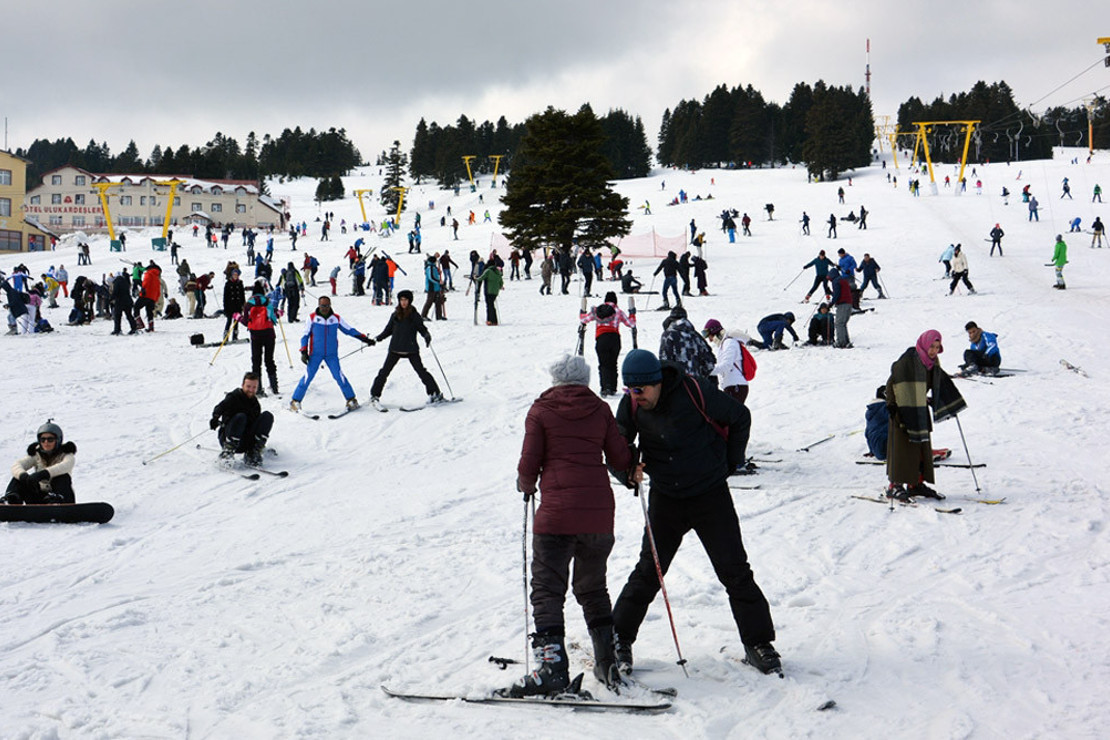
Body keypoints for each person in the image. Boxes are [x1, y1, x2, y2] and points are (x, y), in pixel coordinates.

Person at [609, 349, 779, 676]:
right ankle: (618, 638)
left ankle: (759, 643)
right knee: (649, 571)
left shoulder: (694, 390)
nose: (636, 395)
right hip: (666, 498)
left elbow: (739, 418)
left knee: (735, 571)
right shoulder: (631, 405)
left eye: (641, 389)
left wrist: (729, 463)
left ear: (657, 382)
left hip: (709, 495)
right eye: (631, 389)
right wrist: (627, 470)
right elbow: (617, 442)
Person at [506, 355, 634, 697]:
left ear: (555, 379)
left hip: (557, 517)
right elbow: (620, 459)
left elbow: (529, 462)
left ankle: (552, 669)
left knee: (548, 590)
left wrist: (526, 483)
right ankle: (607, 662)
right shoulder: (601, 410)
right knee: (593, 588)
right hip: (598, 515)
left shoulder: (541, 411)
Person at [884, 330, 966, 500]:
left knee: (921, 449)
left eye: (937, 347)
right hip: (902, 409)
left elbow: (937, 382)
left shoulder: (933, 363)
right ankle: (895, 485)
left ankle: (916, 483)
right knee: (903, 449)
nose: (934, 351)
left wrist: (947, 400)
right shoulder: (907, 360)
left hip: (919, 410)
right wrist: (891, 404)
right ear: (923, 344)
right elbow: (892, 382)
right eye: (931, 346)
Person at [290, 296, 372, 412]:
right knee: (308, 377)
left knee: (339, 376)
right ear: (319, 305)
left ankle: (351, 399)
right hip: (315, 354)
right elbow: (305, 335)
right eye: (323, 306)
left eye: (327, 306)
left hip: (331, 354)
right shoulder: (312, 318)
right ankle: (295, 401)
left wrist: (364, 339)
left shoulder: (336, 318)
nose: (325, 308)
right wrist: (303, 351)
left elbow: (349, 330)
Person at [369, 290, 444, 406]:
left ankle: (435, 393)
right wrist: (378, 338)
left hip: (411, 349)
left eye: (406, 300)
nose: (403, 302)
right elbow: (388, 330)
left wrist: (426, 335)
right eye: (401, 300)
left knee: (421, 372)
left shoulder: (414, 314)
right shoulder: (395, 314)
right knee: (384, 372)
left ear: (409, 301)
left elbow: (421, 328)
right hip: (395, 348)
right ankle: (374, 395)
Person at [2, 421, 76, 505]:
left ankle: (56, 501)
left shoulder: (67, 454)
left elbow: (65, 466)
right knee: (18, 477)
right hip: (39, 498)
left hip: (62, 497)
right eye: (43, 440)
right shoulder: (36, 454)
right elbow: (17, 465)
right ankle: (11, 499)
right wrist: (23, 476)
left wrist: (45, 473)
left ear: (58, 440)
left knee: (63, 477)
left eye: (50, 439)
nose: (46, 443)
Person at [210, 373, 275, 467]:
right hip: (228, 437)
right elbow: (220, 407)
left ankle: (253, 452)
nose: (251, 390)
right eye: (248, 386)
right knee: (241, 417)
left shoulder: (255, 404)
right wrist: (215, 418)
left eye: (254, 387)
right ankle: (227, 454)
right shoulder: (233, 397)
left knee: (267, 416)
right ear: (242, 385)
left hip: (245, 441)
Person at [580, 291, 635, 397]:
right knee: (613, 363)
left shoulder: (597, 310)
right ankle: (613, 387)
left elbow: (584, 319)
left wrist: (582, 311)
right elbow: (631, 324)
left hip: (601, 339)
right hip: (614, 338)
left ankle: (605, 387)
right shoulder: (618, 311)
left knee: (603, 364)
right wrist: (632, 313)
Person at [702, 318, 755, 405]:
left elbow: (726, 366)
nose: (710, 340)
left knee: (731, 417)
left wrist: (706, 370)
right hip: (732, 386)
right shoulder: (724, 344)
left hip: (736, 386)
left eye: (709, 336)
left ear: (715, 332)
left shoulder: (729, 343)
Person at [241, 282, 280, 396]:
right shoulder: (267, 302)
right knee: (269, 360)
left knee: (256, 361)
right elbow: (273, 319)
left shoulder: (249, 304)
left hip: (255, 335)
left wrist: (237, 317)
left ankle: (257, 388)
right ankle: (274, 386)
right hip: (269, 334)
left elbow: (245, 322)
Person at [659, 306, 716, 379]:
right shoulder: (696, 335)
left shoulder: (668, 335)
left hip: (678, 384)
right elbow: (709, 363)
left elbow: (665, 363)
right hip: (697, 384)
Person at [133, 260, 161, 332]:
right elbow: (158, 289)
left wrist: (143, 289)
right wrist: (156, 299)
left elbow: (146, 281)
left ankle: (139, 324)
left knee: (136, 307)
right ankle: (151, 327)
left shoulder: (149, 273)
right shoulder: (157, 278)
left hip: (146, 295)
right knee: (149, 312)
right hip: (153, 297)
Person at [110, 270, 139, 335]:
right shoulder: (125, 281)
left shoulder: (117, 282)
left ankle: (117, 330)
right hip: (128, 301)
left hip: (120, 302)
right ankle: (134, 328)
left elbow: (115, 291)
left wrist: (111, 298)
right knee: (129, 315)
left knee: (117, 316)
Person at [474, 259, 503, 325]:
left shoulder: (488, 271)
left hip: (488, 291)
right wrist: (499, 286)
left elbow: (481, 278)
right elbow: (501, 282)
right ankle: (494, 320)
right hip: (495, 292)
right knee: (492, 305)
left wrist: (476, 278)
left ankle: (490, 320)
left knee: (489, 306)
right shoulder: (498, 272)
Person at [222, 269, 245, 342]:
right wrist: (225, 307)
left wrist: (243, 305)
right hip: (229, 306)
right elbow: (225, 296)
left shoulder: (240, 283)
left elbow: (242, 295)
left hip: (237, 306)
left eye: (236, 275)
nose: (235, 276)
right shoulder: (228, 284)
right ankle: (226, 337)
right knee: (229, 321)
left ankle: (235, 336)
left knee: (236, 322)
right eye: (234, 275)